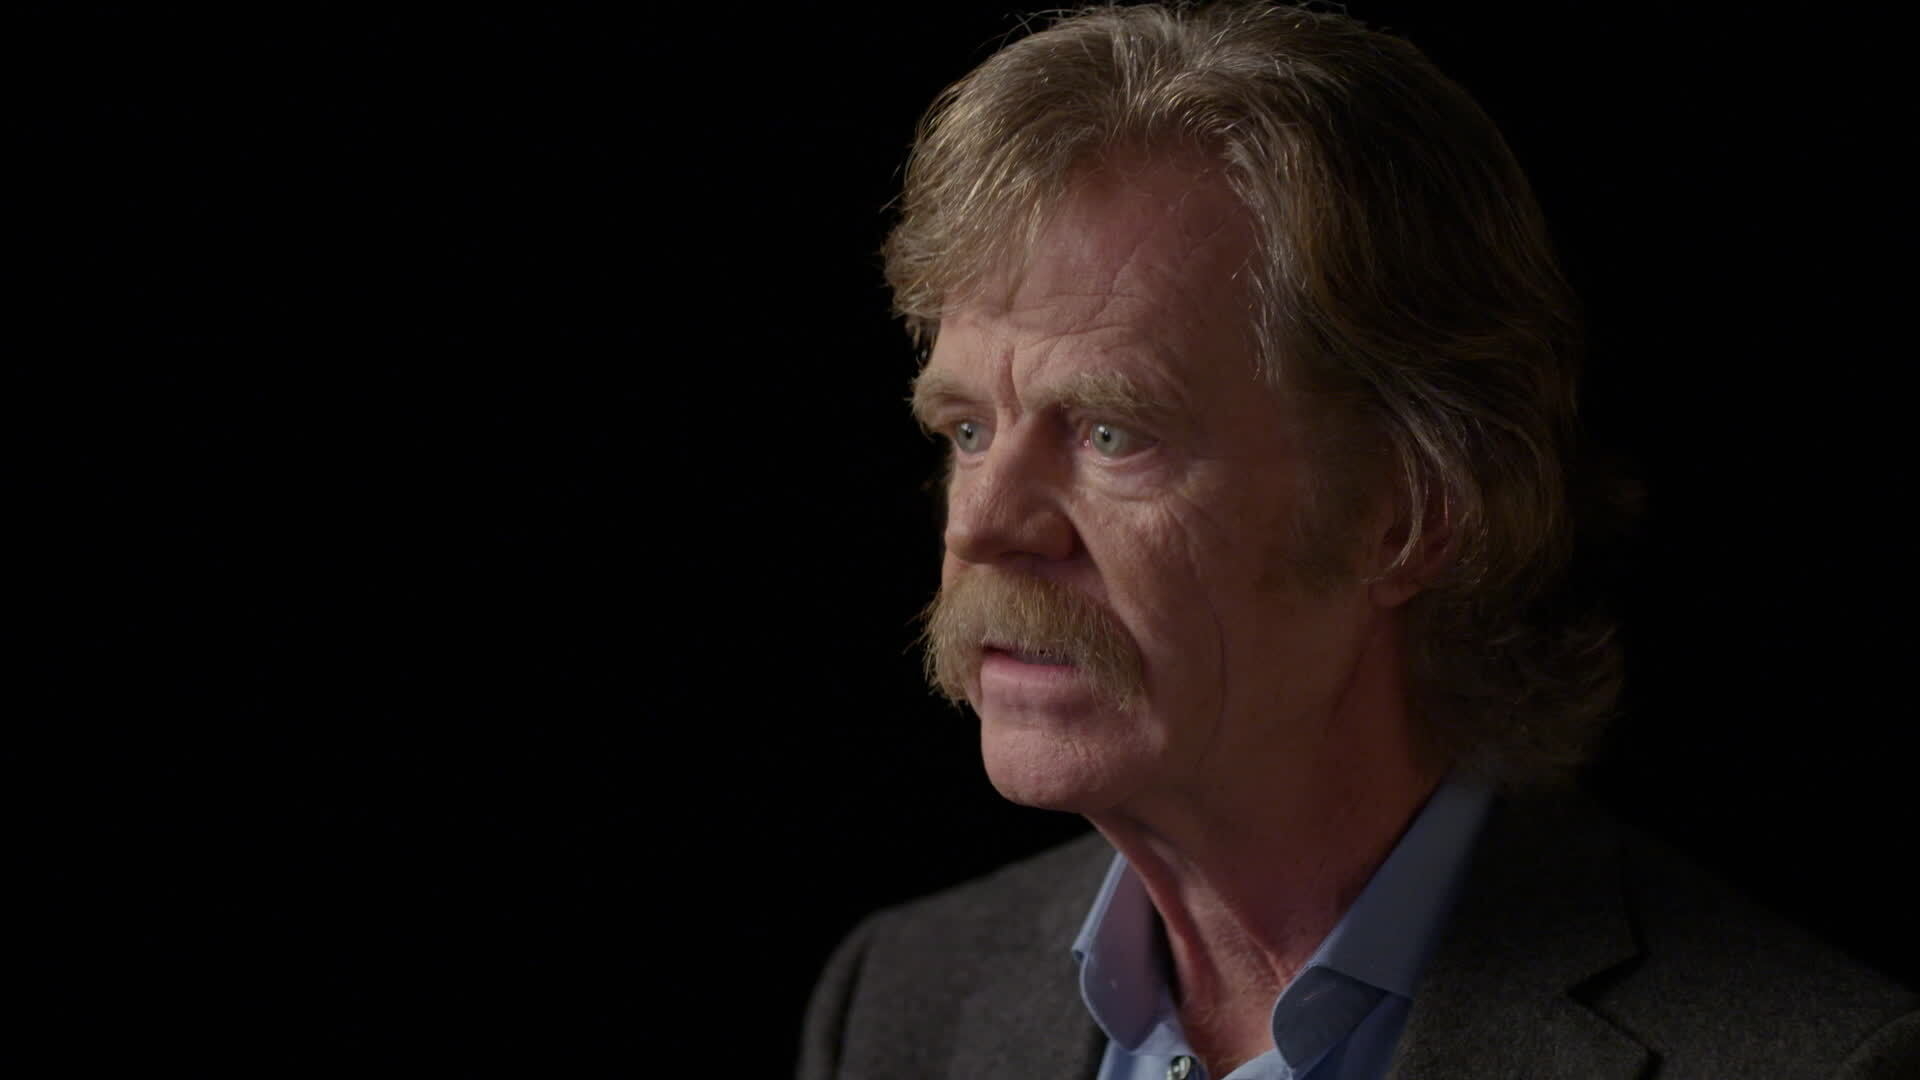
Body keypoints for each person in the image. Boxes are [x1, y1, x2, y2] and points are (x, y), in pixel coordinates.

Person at [798, 3, 1920, 1077]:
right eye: (967, 430)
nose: (984, 525)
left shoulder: (1812, 1061)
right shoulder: (901, 998)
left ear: (1408, 513)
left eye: (1110, 433)